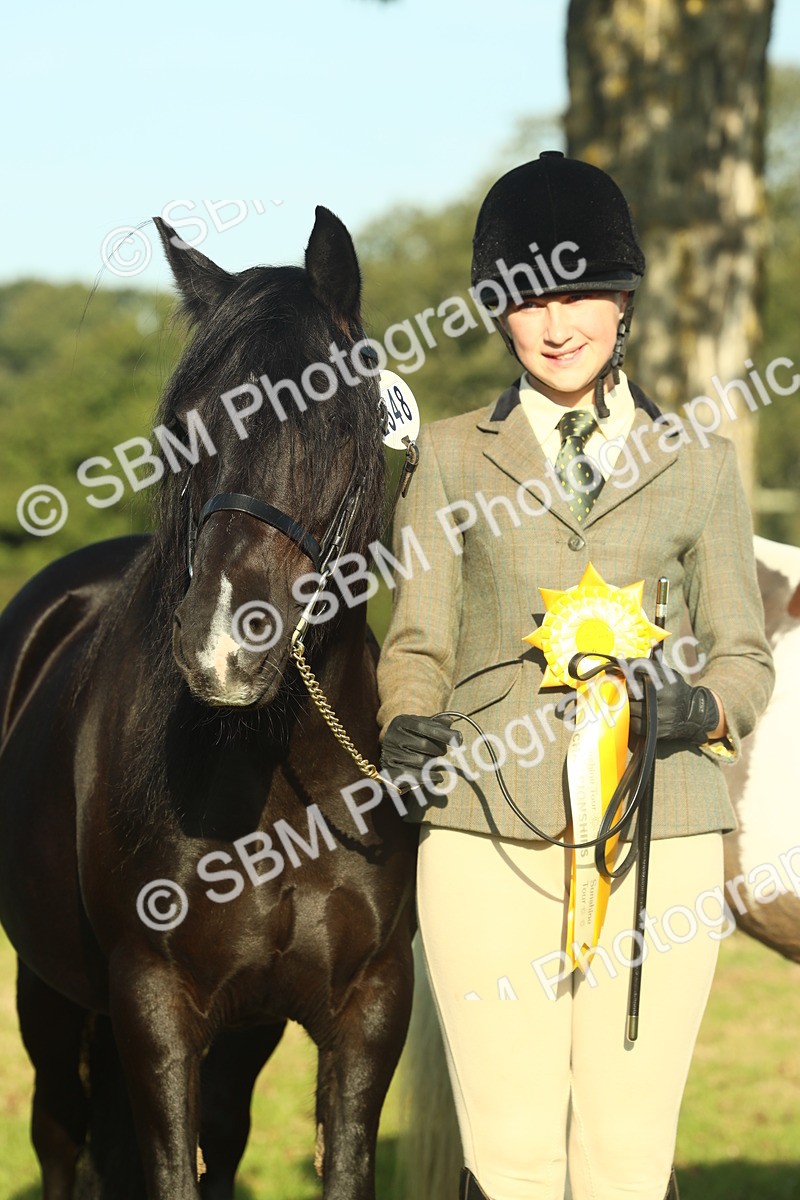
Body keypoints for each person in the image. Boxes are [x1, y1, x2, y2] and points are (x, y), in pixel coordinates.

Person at [376, 152, 774, 1200]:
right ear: (499, 314)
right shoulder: (452, 458)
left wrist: (703, 706)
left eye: (578, 295)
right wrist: (405, 725)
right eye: (526, 300)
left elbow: (741, 648)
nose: (555, 326)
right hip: (481, 834)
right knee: (506, 1157)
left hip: (660, 835)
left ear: (622, 301)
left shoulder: (698, 462)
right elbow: (415, 643)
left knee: (623, 1158)